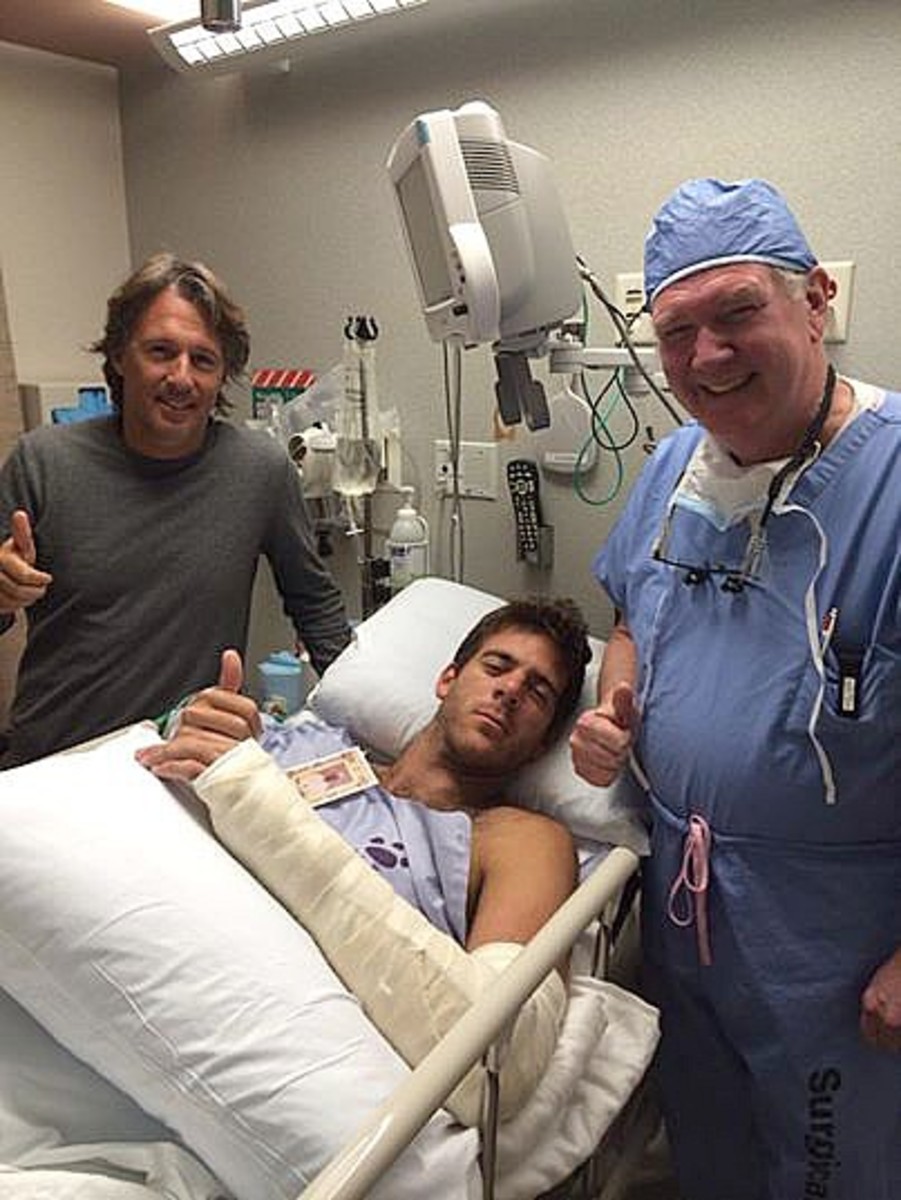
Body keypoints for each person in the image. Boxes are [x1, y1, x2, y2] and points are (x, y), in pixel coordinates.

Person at [569, 178, 900, 1200]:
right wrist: (616, 702)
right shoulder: (674, 464)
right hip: (689, 915)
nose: (706, 358)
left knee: (830, 1172)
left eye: (737, 315)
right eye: (676, 333)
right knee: (708, 1159)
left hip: (836, 946)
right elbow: (631, 605)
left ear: (813, 301)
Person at [137, 596, 593, 1126]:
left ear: (542, 746)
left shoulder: (518, 839)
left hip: (278, 1045)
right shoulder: (301, 742)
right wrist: (189, 726)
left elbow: (499, 1057)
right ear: (447, 679)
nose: (510, 690)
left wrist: (256, 803)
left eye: (538, 692)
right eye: (497, 666)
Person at [0, 252, 351, 766]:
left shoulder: (260, 470)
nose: (181, 377)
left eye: (203, 360)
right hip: (53, 765)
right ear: (120, 356)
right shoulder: (44, 461)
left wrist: (378, 732)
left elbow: (315, 607)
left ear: (221, 375)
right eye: (161, 352)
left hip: (179, 766)